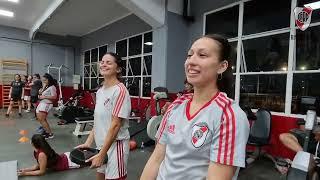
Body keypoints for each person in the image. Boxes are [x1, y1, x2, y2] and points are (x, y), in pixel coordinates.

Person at [140, 34, 250, 180]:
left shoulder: (229, 116)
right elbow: (156, 158)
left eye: (202, 55)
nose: (191, 61)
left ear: (222, 66)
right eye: (189, 55)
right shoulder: (175, 106)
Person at [76, 52, 131, 180]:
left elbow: (115, 125)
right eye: (102, 62)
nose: (103, 64)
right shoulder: (100, 91)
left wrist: (102, 153)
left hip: (116, 147)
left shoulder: (120, 91)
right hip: (102, 146)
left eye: (108, 62)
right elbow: (98, 121)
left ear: (118, 69)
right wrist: (88, 142)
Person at [36, 73, 57, 139]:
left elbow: (54, 97)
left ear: (49, 80)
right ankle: (46, 131)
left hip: (47, 104)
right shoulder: (46, 86)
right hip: (42, 103)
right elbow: (41, 94)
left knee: (42, 119)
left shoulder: (52, 87)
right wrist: (41, 91)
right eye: (43, 80)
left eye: (45, 80)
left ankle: (50, 134)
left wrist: (44, 96)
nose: (43, 81)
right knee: (40, 118)